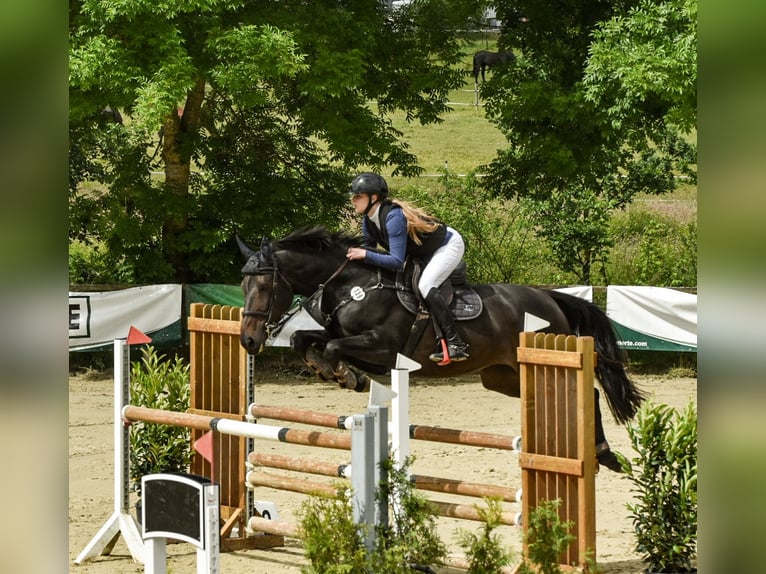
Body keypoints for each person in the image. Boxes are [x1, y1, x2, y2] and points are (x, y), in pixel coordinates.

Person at [345, 172, 469, 364]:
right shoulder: (369, 220)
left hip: (447, 245)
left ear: (374, 198)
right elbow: (366, 250)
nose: (353, 201)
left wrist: (366, 255)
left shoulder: (393, 217)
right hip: (423, 251)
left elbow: (395, 260)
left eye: (358, 196)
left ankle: (456, 344)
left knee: (426, 286)